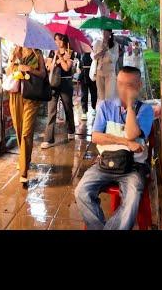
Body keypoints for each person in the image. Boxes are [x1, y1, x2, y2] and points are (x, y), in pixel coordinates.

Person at [74, 66, 154, 230]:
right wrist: (125, 142)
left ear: (139, 86)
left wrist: (130, 106)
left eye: (129, 85)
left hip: (133, 168)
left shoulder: (146, 110)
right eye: (120, 84)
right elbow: (96, 137)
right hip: (105, 163)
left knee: (133, 196)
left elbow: (132, 134)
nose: (124, 89)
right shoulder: (105, 106)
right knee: (81, 191)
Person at [7, 45, 46, 186]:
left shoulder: (37, 53)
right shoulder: (15, 51)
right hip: (15, 95)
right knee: (18, 129)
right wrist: (13, 61)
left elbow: (43, 74)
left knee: (26, 132)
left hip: (31, 96)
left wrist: (29, 69)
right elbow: (8, 72)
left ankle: (23, 170)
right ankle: (23, 158)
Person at [41, 33, 76, 148]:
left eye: (59, 40)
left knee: (68, 108)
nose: (57, 42)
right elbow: (49, 67)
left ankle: (71, 130)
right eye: (55, 40)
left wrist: (62, 58)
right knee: (51, 111)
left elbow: (66, 68)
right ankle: (48, 139)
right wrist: (57, 59)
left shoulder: (70, 51)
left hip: (65, 82)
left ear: (64, 40)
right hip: (53, 83)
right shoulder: (52, 52)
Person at [93, 30, 118, 104]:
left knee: (109, 96)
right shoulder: (97, 43)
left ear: (110, 33)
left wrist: (107, 51)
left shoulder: (114, 44)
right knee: (101, 96)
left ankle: (109, 113)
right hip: (99, 71)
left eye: (106, 31)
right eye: (103, 31)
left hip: (110, 72)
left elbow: (114, 59)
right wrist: (101, 52)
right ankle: (102, 112)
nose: (104, 33)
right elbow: (94, 57)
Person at [79, 51, 97, 121]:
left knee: (94, 93)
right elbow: (79, 64)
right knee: (84, 94)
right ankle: (84, 111)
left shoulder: (93, 51)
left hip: (92, 74)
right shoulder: (80, 52)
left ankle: (94, 108)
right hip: (83, 75)